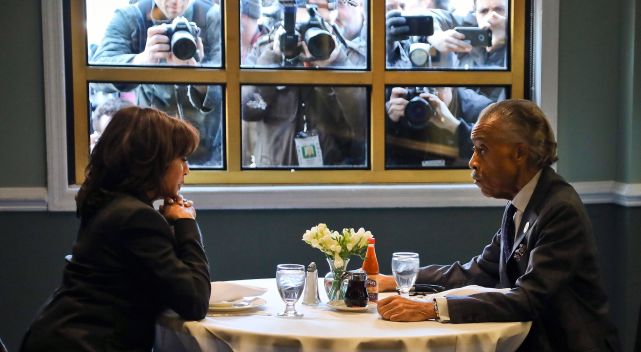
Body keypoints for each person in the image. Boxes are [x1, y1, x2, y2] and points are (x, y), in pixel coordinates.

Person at [376, 99, 641, 352]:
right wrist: (397, 280)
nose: (472, 161)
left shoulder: (559, 210)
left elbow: (528, 299)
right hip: (539, 351)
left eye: (482, 150)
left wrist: (431, 308)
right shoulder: (524, 201)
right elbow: (479, 270)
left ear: (519, 154)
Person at [15, 107, 228, 352]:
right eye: (182, 158)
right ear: (154, 161)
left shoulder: (107, 205)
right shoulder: (136, 218)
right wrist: (186, 223)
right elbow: (194, 300)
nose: (187, 169)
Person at [91, 0, 224, 166]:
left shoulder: (213, 17)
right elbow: (97, 73)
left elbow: (231, 88)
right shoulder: (132, 17)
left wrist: (198, 75)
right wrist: (142, 60)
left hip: (208, 151)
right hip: (152, 148)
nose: (176, 2)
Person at [241, 0, 367, 168]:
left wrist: (337, 64)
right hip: (274, 174)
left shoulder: (347, 55)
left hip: (330, 172)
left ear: (332, 13)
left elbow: (363, 124)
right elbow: (247, 109)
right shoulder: (264, 50)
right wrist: (272, 60)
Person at [385, 85, 494, 167]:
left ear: (452, 86)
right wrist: (390, 124)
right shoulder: (397, 107)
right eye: (418, 89)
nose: (427, 97)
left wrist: (454, 125)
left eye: (436, 87)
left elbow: (496, 154)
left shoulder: (478, 108)